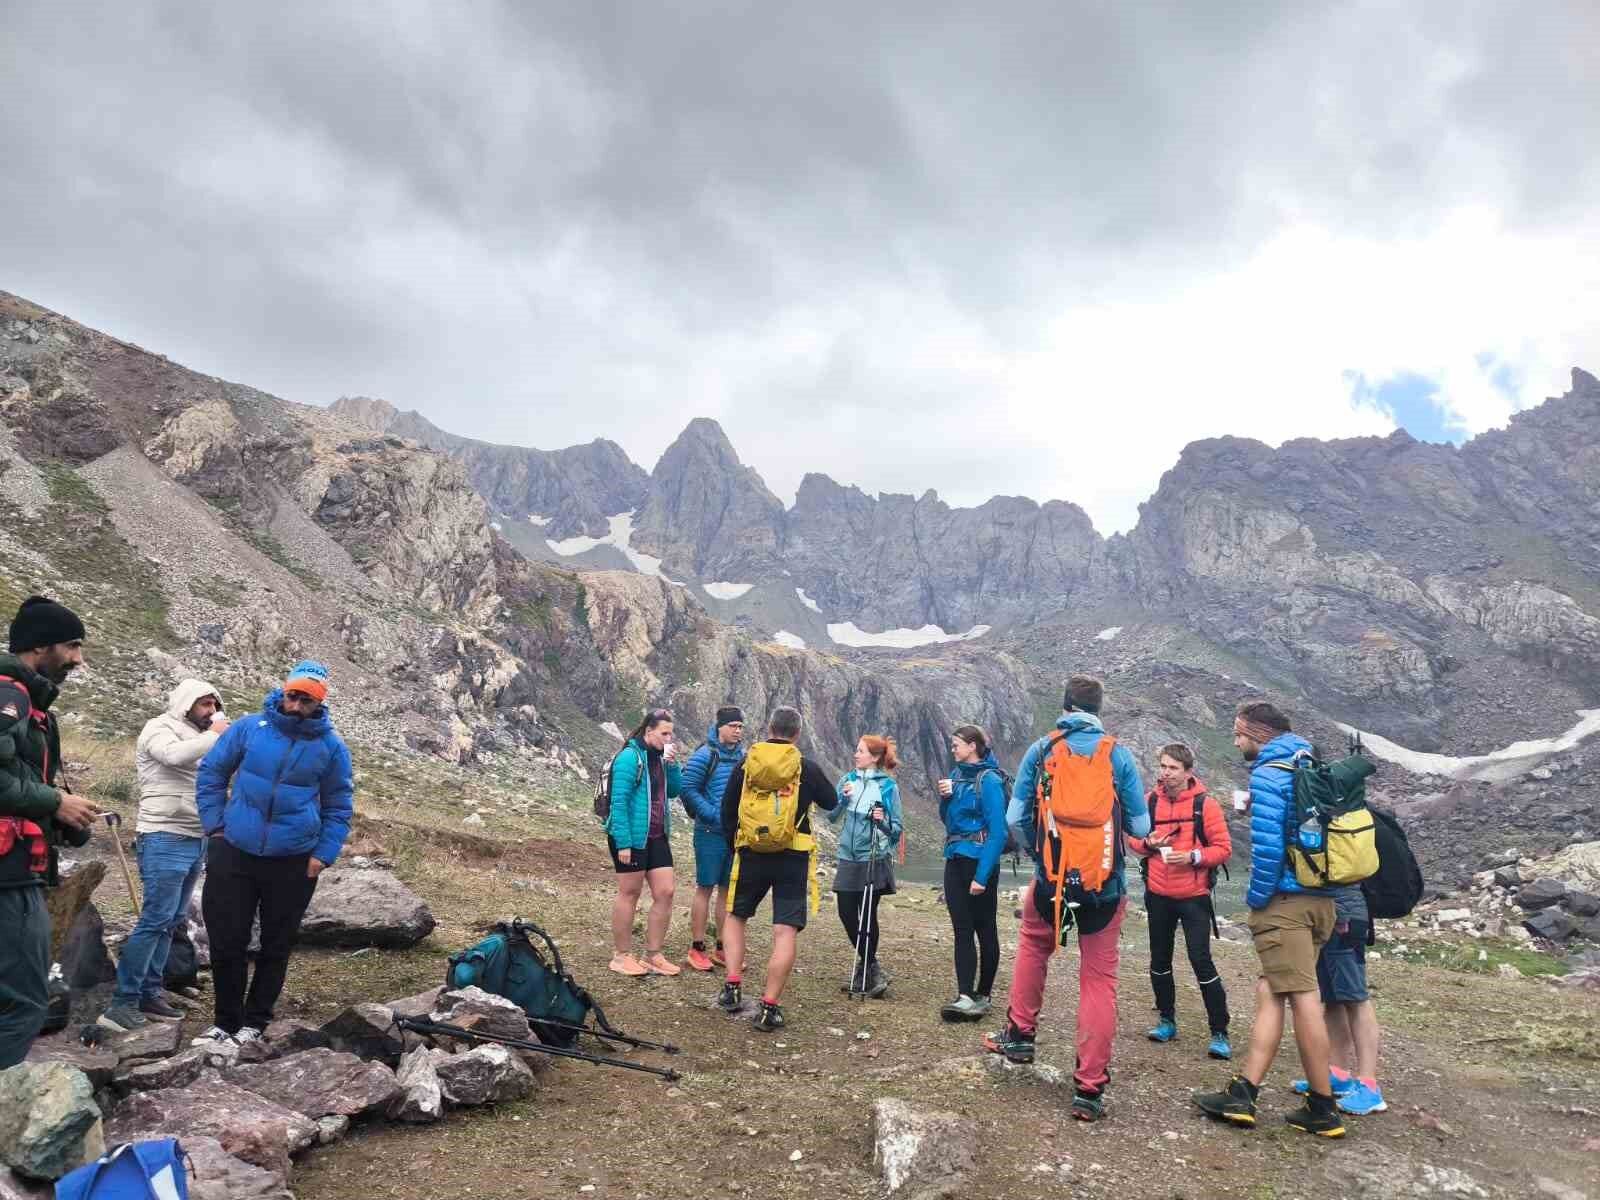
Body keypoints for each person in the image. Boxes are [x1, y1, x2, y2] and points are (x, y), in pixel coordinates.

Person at [982, 675, 1149, 1122]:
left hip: (1051, 879)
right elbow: (1142, 828)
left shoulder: (1042, 750)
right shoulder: (1118, 755)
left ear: (1064, 705)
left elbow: (1016, 817)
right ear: (1098, 708)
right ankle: (1089, 1089)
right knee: (1099, 979)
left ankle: (1019, 1035)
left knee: (1035, 945)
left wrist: (1041, 853)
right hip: (1105, 885)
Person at [1193, 702, 1345, 1137]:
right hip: (1321, 900)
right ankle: (1244, 1092)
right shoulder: (1310, 762)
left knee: (1301, 996)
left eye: (1239, 734)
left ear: (1257, 733)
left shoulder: (1269, 770)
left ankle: (1322, 1106)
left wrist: (1257, 899)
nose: (1236, 741)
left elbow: (1268, 847)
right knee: (1271, 989)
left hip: (1285, 902)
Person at [194, 661, 353, 1046]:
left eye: (308, 700)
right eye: (293, 695)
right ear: (283, 692)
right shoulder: (250, 728)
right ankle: (226, 1021)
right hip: (234, 849)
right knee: (226, 938)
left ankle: (255, 1022)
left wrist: (323, 853)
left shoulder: (331, 747)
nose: (297, 705)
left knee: (276, 943)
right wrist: (216, 827)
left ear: (320, 703)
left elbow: (339, 803)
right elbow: (213, 773)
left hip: (293, 859)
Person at [98, 679, 230, 1033]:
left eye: (214, 705)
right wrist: (217, 733)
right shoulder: (159, 728)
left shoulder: (201, 736)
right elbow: (173, 756)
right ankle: (122, 1003)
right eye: (204, 705)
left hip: (195, 836)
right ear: (186, 703)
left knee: (172, 921)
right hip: (164, 835)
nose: (211, 712)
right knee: (155, 919)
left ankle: (150, 991)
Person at [0, 597, 98, 1068]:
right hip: (8, 875)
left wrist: (60, 816)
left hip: (19, 864)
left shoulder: (27, 700)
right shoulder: (10, 695)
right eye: (72, 645)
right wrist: (56, 801)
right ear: (41, 646)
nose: (78, 659)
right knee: (24, 1000)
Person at [717, 705, 838, 1032]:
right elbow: (830, 801)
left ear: (768, 727)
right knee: (784, 931)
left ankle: (731, 988)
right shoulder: (805, 767)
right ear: (797, 733)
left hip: (751, 852)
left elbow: (728, 809)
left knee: (736, 917)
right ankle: (769, 1007)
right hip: (793, 855)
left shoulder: (747, 763)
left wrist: (737, 845)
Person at [1126, 742, 1232, 1059]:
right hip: (1158, 894)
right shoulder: (1150, 802)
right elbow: (1132, 839)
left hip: (1194, 897)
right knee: (1159, 960)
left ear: (1188, 771)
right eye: (1163, 766)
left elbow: (1224, 849)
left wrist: (1194, 856)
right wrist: (1148, 843)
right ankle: (1166, 1020)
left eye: (1173, 767)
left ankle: (1219, 1032)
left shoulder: (1205, 805)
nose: (1166, 773)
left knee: (1201, 961)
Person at [1292, 883, 1386, 1115]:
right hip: (1328, 915)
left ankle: (1369, 1086)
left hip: (1345, 917)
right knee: (1332, 997)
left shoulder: (1350, 844)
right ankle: (1339, 1075)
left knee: (1356, 998)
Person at [603, 708, 683, 977]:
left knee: (666, 892)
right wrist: (623, 842)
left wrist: (673, 764)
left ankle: (653, 955)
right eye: (664, 733)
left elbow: (673, 791)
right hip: (632, 838)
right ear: (649, 731)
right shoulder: (629, 757)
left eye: (671, 733)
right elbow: (618, 802)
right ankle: (621, 956)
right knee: (630, 893)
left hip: (657, 835)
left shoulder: (661, 759)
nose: (668, 738)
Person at [937, 724, 1008, 1021]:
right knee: (962, 928)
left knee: (985, 928)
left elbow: (999, 832)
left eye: (957, 745)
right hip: (954, 859)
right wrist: (946, 799)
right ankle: (965, 995)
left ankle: (984, 993)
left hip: (979, 862)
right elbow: (947, 820)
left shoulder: (989, 780)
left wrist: (982, 875)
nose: (953, 749)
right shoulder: (955, 777)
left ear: (973, 746)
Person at [829, 734, 904, 999]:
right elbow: (831, 817)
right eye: (856, 749)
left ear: (874, 757)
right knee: (846, 911)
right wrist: (841, 800)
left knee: (868, 915)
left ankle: (868, 969)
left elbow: (896, 831)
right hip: (848, 857)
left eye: (860, 751)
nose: (855, 754)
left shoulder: (888, 788)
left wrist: (881, 820)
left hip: (874, 856)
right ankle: (871, 965)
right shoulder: (846, 781)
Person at [679, 706, 745, 971]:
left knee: (727, 891)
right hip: (709, 832)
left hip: (733, 835)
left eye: (741, 727)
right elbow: (686, 787)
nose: (738, 731)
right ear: (720, 727)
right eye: (733, 726)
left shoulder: (743, 757)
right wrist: (712, 815)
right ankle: (696, 947)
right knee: (705, 888)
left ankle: (721, 947)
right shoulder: (705, 754)